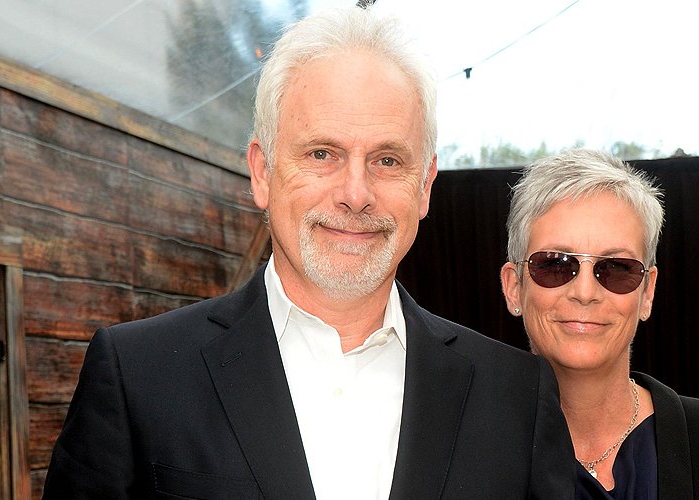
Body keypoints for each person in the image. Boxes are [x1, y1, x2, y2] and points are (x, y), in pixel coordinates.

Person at [43, 7, 575, 499]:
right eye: (322, 154)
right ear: (262, 172)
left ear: (425, 186)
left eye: (388, 160)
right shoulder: (139, 375)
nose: (355, 193)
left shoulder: (515, 399)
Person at [500, 149, 699, 498]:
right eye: (555, 264)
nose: (585, 292)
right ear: (514, 287)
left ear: (647, 292)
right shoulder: (461, 447)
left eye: (617, 268)